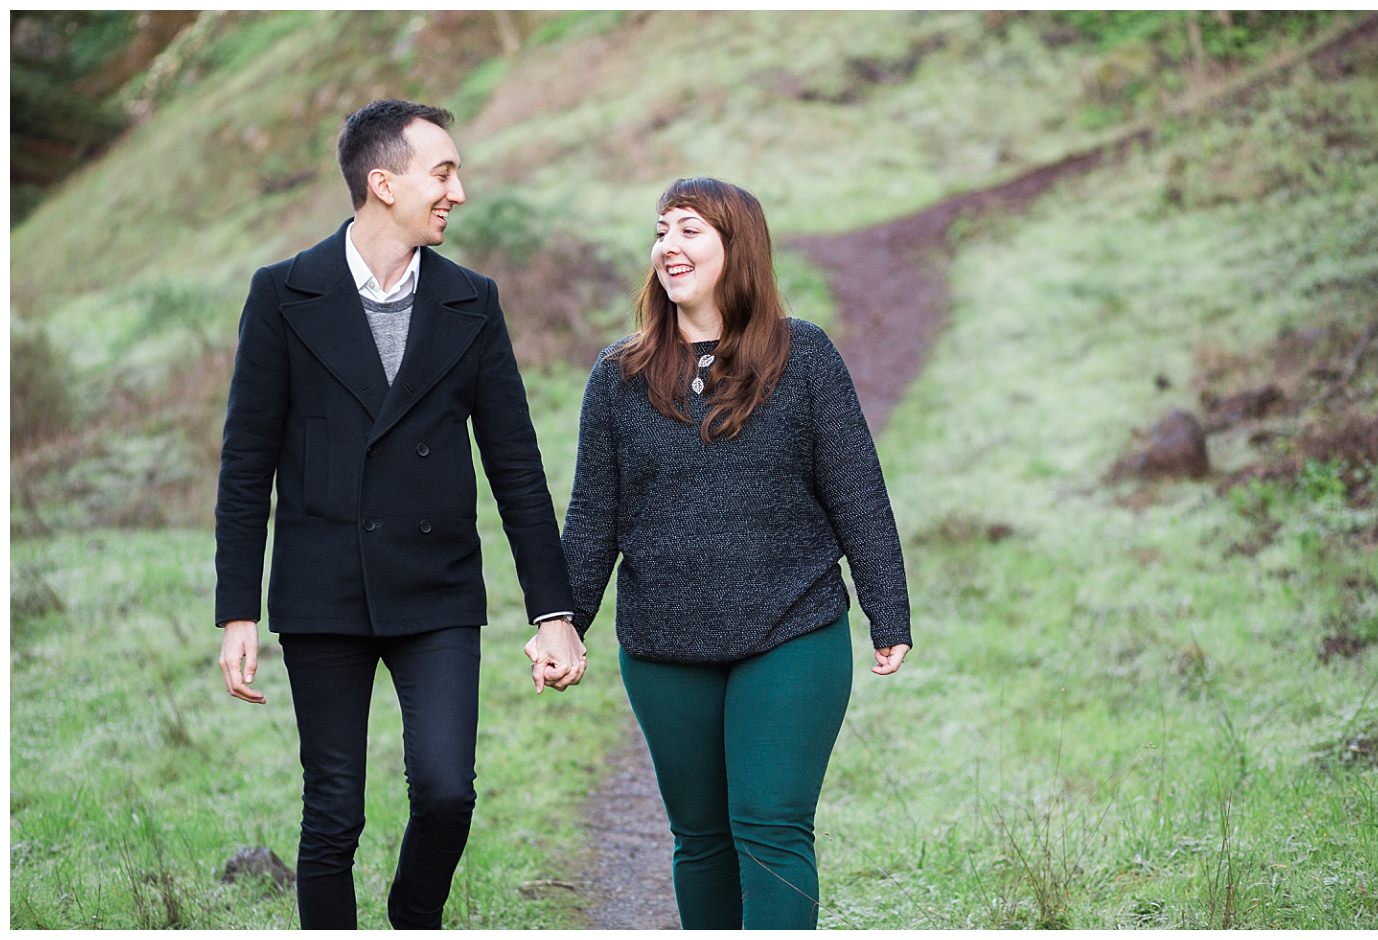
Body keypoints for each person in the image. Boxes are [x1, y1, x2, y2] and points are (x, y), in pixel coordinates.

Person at [214, 98, 587, 930]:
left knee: (449, 792)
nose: (459, 190)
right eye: (443, 172)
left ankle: (413, 917)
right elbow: (246, 465)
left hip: (437, 587)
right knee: (333, 810)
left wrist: (554, 612)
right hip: (322, 591)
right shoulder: (282, 294)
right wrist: (238, 609)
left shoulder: (471, 301)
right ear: (383, 183)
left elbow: (516, 466)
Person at [558, 176, 911, 929]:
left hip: (792, 629)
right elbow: (593, 514)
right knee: (702, 839)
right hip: (663, 643)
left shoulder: (803, 356)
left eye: (689, 230)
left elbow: (858, 492)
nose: (668, 247)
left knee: (771, 822)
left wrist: (889, 612)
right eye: (661, 230)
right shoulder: (617, 377)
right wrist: (564, 621)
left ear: (735, 248)